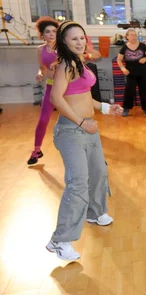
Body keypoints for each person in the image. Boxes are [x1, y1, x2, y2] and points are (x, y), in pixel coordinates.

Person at [46, 20, 123, 261]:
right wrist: (81, 123)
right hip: (71, 131)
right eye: (73, 39)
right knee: (78, 183)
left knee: (99, 172)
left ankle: (95, 212)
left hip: (89, 129)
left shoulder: (81, 62)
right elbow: (57, 99)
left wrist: (106, 108)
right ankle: (59, 241)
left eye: (82, 37)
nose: (79, 42)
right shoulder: (65, 65)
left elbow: (84, 97)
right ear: (64, 42)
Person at [28, 17, 59, 165]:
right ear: (42, 35)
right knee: (43, 119)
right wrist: (40, 73)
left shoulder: (65, 47)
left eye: (54, 31)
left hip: (67, 88)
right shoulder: (40, 49)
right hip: (51, 86)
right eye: (48, 32)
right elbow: (42, 67)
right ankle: (36, 150)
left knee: (77, 117)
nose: (51, 34)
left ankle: (92, 150)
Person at [116, 29, 146, 117]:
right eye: (131, 35)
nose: (134, 37)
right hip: (130, 73)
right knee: (129, 90)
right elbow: (119, 59)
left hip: (144, 72)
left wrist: (145, 59)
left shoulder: (142, 46)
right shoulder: (124, 47)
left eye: (135, 35)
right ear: (127, 37)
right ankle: (126, 108)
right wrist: (123, 69)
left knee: (144, 90)